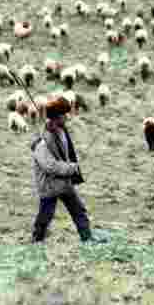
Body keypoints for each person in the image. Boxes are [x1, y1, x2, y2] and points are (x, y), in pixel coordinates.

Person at [30, 97, 93, 244]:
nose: (67, 117)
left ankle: (88, 239)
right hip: (50, 185)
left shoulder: (61, 133)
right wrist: (71, 168)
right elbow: (49, 166)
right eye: (64, 115)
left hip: (64, 183)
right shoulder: (42, 142)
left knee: (79, 211)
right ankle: (36, 242)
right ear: (57, 117)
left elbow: (64, 154)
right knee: (45, 217)